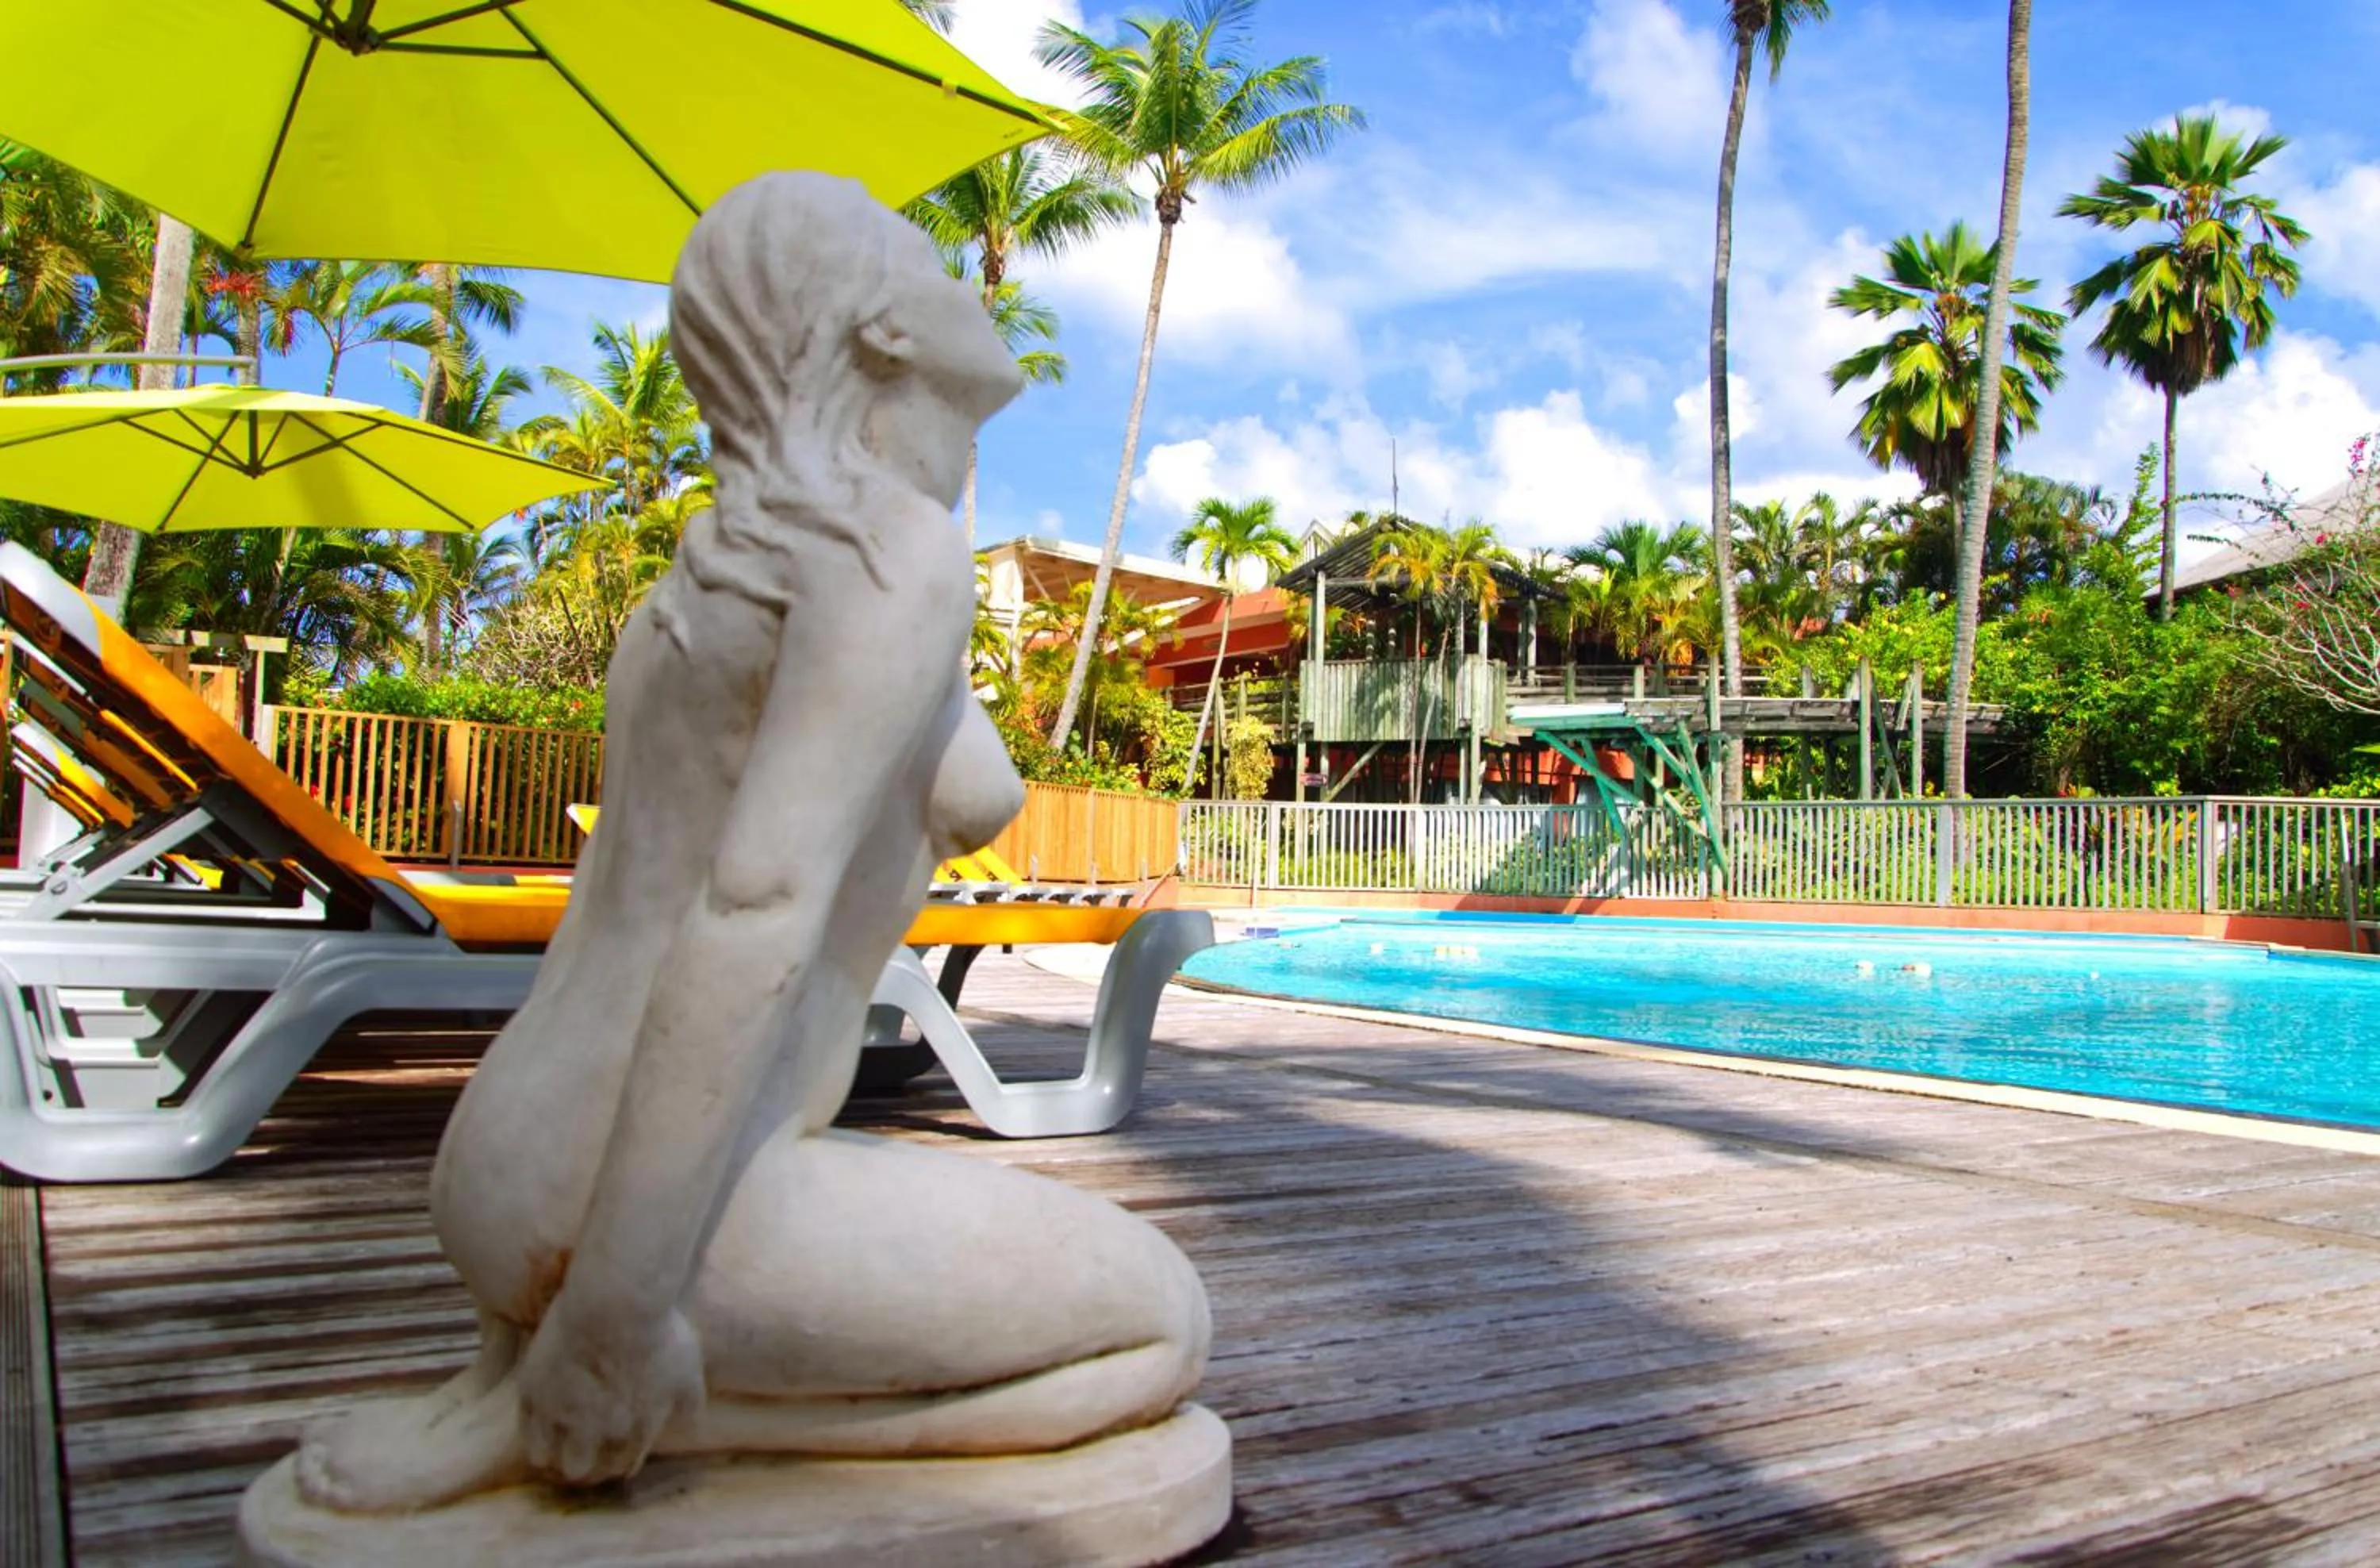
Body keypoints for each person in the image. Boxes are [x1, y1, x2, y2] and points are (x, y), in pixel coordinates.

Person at [296, 172, 1210, 1513]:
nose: (969, 279)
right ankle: (625, 1394)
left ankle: (538, 1371)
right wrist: (617, 1308)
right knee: (1162, 1326)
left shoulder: (729, 562)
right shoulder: (886, 556)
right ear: (882, 333)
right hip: (649, 1210)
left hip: (521, 1151)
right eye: (930, 259)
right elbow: (756, 909)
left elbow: (924, 791)